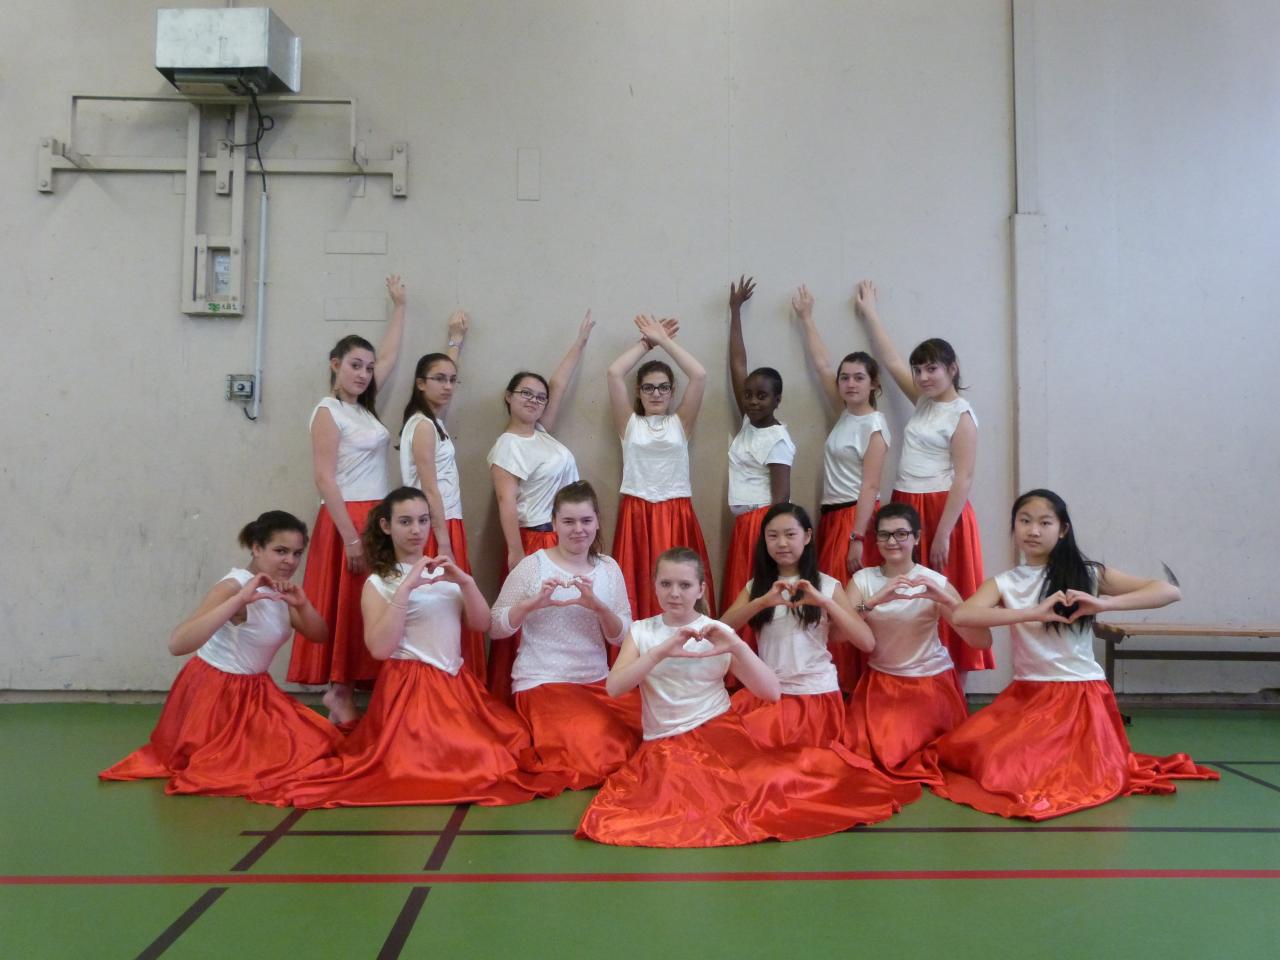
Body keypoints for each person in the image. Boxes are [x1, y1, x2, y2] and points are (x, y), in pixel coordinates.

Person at [576, 548, 919, 848]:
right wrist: (661, 651)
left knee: (767, 792)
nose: (674, 593)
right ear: (654, 586)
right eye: (665, 584)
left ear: (700, 589)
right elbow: (615, 687)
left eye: (684, 585)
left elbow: (770, 692)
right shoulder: (642, 631)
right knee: (668, 808)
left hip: (721, 736)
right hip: (665, 745)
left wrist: (737, 646)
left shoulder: (717, 632)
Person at [255, 488, 567, 808]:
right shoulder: (379, 582)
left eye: (422, 520)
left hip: (456, 685)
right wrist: (405, 589)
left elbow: (481, 623)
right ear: (387, 526)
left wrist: (465, 582)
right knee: (478, 761)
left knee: (509, 743)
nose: (416, 530)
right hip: (412, 690)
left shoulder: (444, 573)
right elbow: (380, 648)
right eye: (405, 522)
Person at [926, 489, 1218, 819]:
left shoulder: (1088, 574)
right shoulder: (1005, 582)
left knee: (1031, 776)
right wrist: (1034, 612)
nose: (1033, 530)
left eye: (1044, 523)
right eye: (1024, 521)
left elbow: (1168, 591)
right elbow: (964, 615)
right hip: (1026, 696)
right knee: (970, 754)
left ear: (1063, 529)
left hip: (1079, 697)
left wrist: (1103, 604)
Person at [100, 512, 340, 796]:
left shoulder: (278, 587)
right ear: (256, 547)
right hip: (217, 697)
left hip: (255, 693)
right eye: (280, 551)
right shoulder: (232, 587)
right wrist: (238, 601)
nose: (290, 561)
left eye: (297, 553)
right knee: (281, 763)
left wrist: (301, 605)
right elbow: (178, 644)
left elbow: (319, 635)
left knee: (320, 745)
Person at [853, 279, 992, 690]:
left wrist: (944, 532)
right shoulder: (922, 402)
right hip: (907, 504)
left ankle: (954, 689)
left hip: (943, 510)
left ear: (952, 369)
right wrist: (870, 312)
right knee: (906, 596)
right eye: (919, 369)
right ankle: (906, 672)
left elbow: (964, 477)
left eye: (932, 368)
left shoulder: (961, 414)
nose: (923, 376)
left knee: (947, 595)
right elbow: (890, 358)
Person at [288, 274, 409, 725]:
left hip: (377, 516)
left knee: (371, 604)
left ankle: (359, 688)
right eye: (355, 365)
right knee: (347, 605)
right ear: (335, 364)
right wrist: (352, 539)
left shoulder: (363, 410)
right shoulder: (328, 410)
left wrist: (400, 307)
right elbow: (324, 478)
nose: (363, 373)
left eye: (368, 368)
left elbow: (389, 358)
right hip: (347, 519)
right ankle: (338, 691)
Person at [490, 481, 642, 789]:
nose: (578, 529)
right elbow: (495, 626)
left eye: (586, 520)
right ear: (554, 523)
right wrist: (531, 605)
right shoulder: (532, 566)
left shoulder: (608, 567)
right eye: (569, 521)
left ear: (597, 521)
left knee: (656, 729)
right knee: (603, 750)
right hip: (544, 682)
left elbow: (622, 636)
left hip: (598, 681)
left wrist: (599, 608)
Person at [486, 311, 594, 702]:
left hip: (566, 537)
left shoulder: (541, 433)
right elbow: (506, 500)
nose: (534, 400)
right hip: (535, 541)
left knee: (566, 619)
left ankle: (567, 687)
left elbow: (558, 384)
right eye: (526, 394)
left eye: (539, 397)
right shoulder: (507, 445)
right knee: (534, 619)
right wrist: (515, 552)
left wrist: (580, 341)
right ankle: (521, 695)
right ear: (508, 397)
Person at [790, 283, 891, 692]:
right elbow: (821, 365)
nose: (849, 384)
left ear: (873, 384)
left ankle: (856, 684)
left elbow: (871, 485)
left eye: (858, 378)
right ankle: (837, 680)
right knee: (832, 598)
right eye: (845, 378)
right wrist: (806, 318)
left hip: (855, 518)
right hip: (833, 517)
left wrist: (857, 537)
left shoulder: (874, 425)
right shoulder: (845, 415)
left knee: (846, 601)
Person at [843, 503, 991, 782]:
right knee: (867, 756)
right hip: (880, 683)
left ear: (917, 538)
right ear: (876, 539)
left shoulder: (933, 581)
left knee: (912, 756)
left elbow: (980, 640)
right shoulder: (863, 580)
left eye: (901, 534)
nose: (892, 542)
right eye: (884, 535)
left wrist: (947, 600)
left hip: (929, 684)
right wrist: (873, 602)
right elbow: (839, 633)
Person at [721, 503, 872, 748]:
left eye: (790, 534)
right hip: (768, 692)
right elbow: (721, 629)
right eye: (773, 536)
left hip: (813, 695)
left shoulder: (827, 584)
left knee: (778, 762)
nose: (781, 543)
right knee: (730, 747)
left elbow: (866, 642)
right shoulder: (756, 587)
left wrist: (825, 602)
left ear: (807, 536)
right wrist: (761, 602)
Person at [606, 313, 715, 618]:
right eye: (649, 388)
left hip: (676, 511)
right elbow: (614, 373)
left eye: (663, 387)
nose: (656, 393)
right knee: (639, 583)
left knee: (680, 584)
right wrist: (646, 344)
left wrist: (664, 341)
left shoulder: (681, 423)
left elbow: (699, 375)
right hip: (637, 512)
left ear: (672, 392)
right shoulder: (629, 424)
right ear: (638, 392)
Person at [399, 309, 485, 677]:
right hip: (436, 527)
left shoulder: (433, 422)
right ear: (420, 384)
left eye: (452, 380)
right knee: (442, 605)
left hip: (447, 521)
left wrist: (455, 342)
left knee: (454, 602)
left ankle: (456, 677)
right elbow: (429, 488)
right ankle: (439, 677)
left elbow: (444, 375)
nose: (448, 386)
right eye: (439, 379)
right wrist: (444, 542)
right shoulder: (422, 426)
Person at [722, 276, 796, 618]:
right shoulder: (748, 424)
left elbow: (781, 498)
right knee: (740, 596)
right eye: (749, 395)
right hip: (744, 525)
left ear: (777, 400)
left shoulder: (777, 438)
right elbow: (738, 364)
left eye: (762, 396)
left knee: (756, 598)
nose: (752, 401)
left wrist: (773, 541)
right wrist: (735, 311)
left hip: (761, 525)